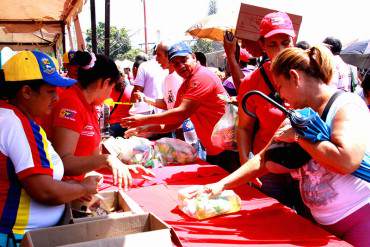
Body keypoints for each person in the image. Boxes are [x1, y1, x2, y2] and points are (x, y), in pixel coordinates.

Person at [192, 45, 370, 246]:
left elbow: (346, 161)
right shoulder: (298, 115)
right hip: (322, 224)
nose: (281, 97)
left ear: (294, 77)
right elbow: (263, 158)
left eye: (280, 88)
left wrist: (299, 138)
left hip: (360, 219)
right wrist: (219, 185)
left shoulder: (346, 106)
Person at [0, 51, 100, 245]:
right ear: (27, 92)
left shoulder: (14, 117)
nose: (56, 98)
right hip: (18, 237)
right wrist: (83, 187)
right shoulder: (16, 124)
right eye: (50, 91)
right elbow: (44, 191)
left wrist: (71, 188)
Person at [224, 11, 306, 212]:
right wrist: (246, 162)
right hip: (268, 167)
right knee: (273, 219)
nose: (280, 50)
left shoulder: (311, 73)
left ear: (293, 41)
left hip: (307, 167)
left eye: (285, 42)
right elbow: (244, 128)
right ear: (262, 45)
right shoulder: (252, 82)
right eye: (272, 44)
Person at [122, 42, 240, 172]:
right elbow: (173, 122)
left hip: (229, 149)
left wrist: (144, 120)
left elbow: (181, 113)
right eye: (176, 63)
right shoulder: (185, 85)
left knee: (240, 191)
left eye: (184, 60)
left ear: (194, 57)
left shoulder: (201, 76)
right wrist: (144, 128)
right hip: (215, 149)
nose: (181, 66)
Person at [44, 51, 153, 189]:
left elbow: (89, 161)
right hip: (66, 190)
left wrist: (121, 167)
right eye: (112, 88)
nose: (110, 94)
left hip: (81, 187)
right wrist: (106, 160)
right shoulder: (71, 104)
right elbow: (63, 162)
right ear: (105, 83)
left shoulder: (89, 106)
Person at [130, 49, 168, 114]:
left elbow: (136, 93)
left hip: (149, 112)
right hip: (167, 111)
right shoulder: (170, 66)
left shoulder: (144, 66)